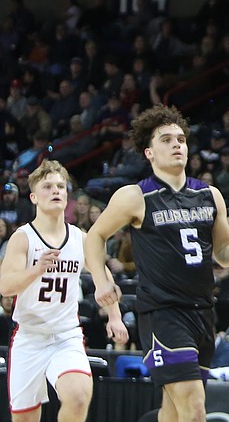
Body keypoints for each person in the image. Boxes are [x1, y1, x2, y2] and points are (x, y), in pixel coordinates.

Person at [83, 105, 229, 422]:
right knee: (195, 408)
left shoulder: (210, 194)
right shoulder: (136, 196)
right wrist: (102, 280)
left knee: (173, 411)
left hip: (203, 311)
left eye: (181, 139)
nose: (177, 144)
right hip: (163, 313)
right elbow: (94, 237)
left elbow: (222, 253)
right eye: (166, 140)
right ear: (149, 152)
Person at [0, 160, 129, 422]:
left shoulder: (81, 238)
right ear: (34, 196)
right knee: (25, 418)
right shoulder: (23, 237)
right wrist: (36, 270)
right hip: (29, 336)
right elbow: (5, 286)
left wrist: (114, 316)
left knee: (78, 396)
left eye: (61, 186)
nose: (56, 190)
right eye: (47, 186)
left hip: (65, 335)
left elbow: (103, 278)